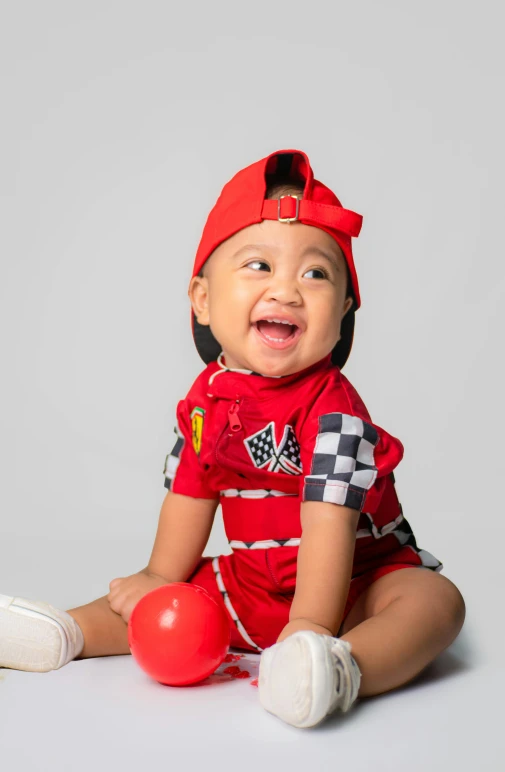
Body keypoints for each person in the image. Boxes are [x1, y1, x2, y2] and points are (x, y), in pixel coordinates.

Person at [0, 149, 465, 729]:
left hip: (352, 589)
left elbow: (328, 524)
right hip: (251, 586)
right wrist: (159, 576)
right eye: (258, 266)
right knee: (171, 603)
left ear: (344, 309)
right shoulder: (205, 401)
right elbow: (191, 494)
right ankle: (61, 632)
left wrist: (312, 626)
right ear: (202, 299)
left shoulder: (336, 411)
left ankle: (338, 668)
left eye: (315, 273)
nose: (288, 291)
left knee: (433, 603)